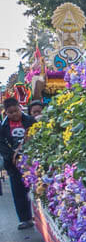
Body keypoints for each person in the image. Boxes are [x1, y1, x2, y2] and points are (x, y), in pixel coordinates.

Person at [0, 98, 36, 229]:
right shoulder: (3, 127)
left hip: (31, 161)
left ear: (20, 108)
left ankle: (40, 217)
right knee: (18, 192)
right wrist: (12, 157)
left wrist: (23, 153)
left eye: (16, 111)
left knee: (37, 189)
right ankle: (25, 219)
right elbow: (2, 145)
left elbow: (37, 138)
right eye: (11, 112)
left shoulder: (30, 121)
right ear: (6, 113)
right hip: (13, 165)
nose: (14, 114)